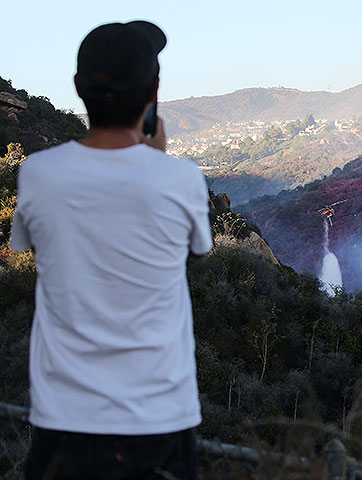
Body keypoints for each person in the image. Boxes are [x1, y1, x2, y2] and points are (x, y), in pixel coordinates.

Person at [11, 21, 212, 479]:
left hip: (63, 420)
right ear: (153, 91)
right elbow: (199, 250)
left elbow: (27, 243)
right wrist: (155, 161)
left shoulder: (38, 174)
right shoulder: (179, 179)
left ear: (78, 89)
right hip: (160, 419)